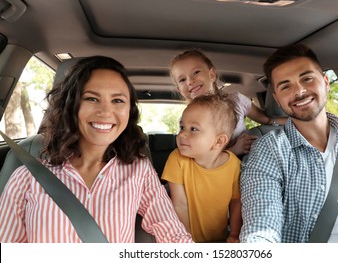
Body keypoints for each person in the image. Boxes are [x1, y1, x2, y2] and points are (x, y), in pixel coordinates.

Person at [0, 56, 193, 243]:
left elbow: (173, 235)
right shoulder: (26, 177)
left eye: (118, 100)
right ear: (70, 106)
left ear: (129, 111)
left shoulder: (139, 172)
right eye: (92, 98)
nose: (106, 112)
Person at [240, 43, 338, 243]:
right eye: (286, 86)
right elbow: (262, 225)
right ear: (277, 99)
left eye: (307, 78)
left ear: (326, 82)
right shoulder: (269, 151)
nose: (300, 91)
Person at [170, 49, 286, 156]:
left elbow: (268, 120)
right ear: (179, 90)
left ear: (212, 75)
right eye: (182, 79)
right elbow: (197, 160)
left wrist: (298, 122)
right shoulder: (186, 121)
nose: (190, 81)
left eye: (196, 72)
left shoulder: (237, 101)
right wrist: (234, 150)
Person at [161, 94, 242, 243]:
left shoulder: (234, 165)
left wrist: (234, 234)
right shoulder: (177, 159)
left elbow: (236, 202)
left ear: (219, 141)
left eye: (193, 129)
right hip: (186, 237)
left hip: (220, 238)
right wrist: (187, 240)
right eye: (182, 127)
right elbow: (179, 204)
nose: (182, 134)